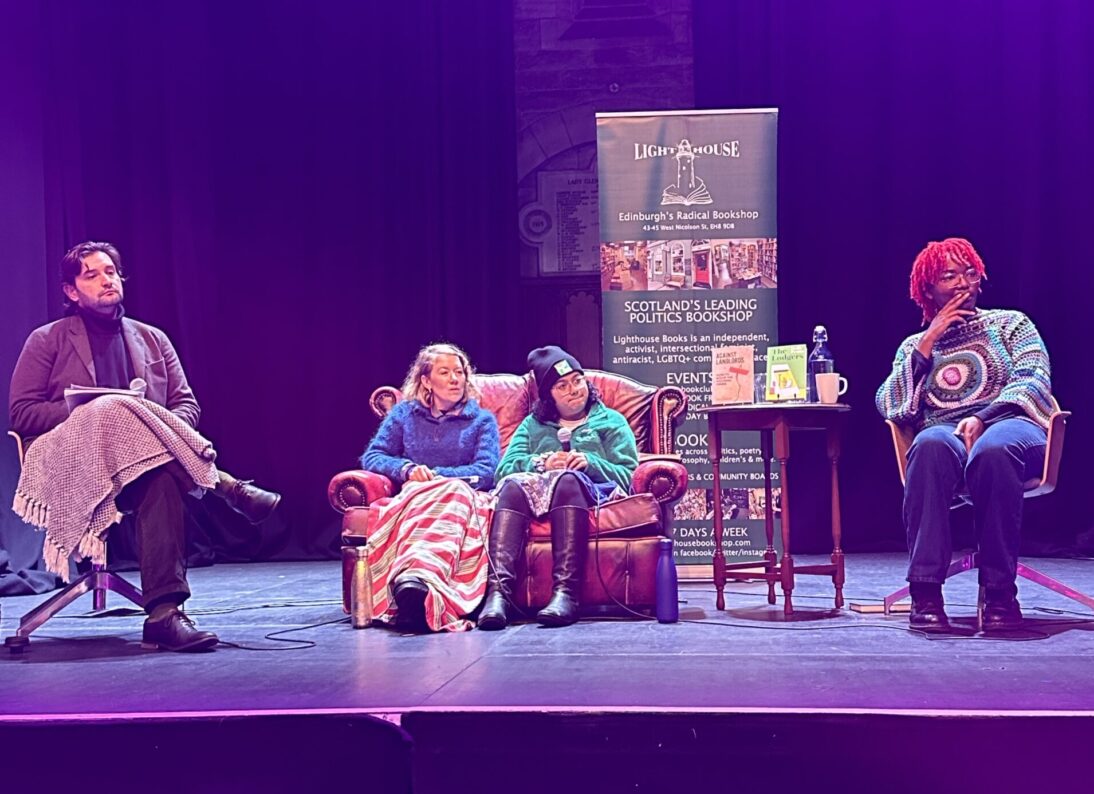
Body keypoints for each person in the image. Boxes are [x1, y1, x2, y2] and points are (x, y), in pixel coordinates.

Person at [10, 241, 281, 652]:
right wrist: (89, 411)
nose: (107, 280)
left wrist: (149, 425)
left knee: (159, 480)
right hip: (71, 463)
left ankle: (164, 615)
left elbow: (185, 405)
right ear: (70, 291)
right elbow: (23, 414)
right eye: (92, 274)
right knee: (109, 406)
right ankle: (224, 485)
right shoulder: (46, 340)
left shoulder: (153, 339)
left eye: (111, 272)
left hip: (143, 464)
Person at [876, 237, 1054, 631]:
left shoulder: (1011, 323)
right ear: (928, 290)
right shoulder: (914, 346)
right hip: (946, 432)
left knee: (993, 449)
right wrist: (927, 342)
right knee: (929, 443)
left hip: (1012, 426)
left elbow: (1032, 379)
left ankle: (1000, 594)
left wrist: (986, 418)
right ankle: (925, 594)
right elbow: (891, 404)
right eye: (949, 276)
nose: (962, 283)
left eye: (970, 273)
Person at [478, 346, 639, 630]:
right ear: (548, 396)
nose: (574, 389)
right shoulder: (532, 425)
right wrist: (542, 463)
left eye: (577, 380)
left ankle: (566, 594)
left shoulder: (611, 421)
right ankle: (498, 595)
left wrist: (589, 463)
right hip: (536, 493)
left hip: (591, 494)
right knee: (512, 486)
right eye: (562, 386)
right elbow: (504, 470)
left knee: (567, 479)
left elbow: (627, 474)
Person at [360, 343, 500, 632]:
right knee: (425, 498)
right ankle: (414, 585)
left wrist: (437, 476)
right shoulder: (404, 416)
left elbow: (486, 473)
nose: (454, 379)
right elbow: (372, 456)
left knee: (454, 492)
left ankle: (420, 583)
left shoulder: (482, 421)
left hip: (463, 496)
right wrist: (406, 470)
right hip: (418, 497)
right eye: (445, 372)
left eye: (459, 372)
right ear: (425, 380)